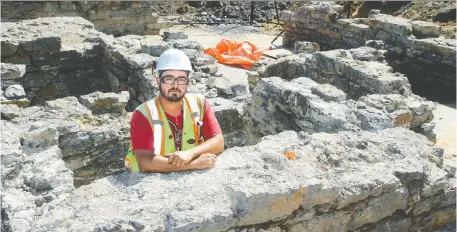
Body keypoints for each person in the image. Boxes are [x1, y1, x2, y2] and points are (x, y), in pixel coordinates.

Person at [124, 49, 224, 173]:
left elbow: (218, 142)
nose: (175, 85)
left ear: (188, 81)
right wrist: (193, 164)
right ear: (158, 80)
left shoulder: (200, 104)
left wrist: (189, 154)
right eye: (169, 79)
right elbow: (145, 161)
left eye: (181, 79)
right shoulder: (143, 114)